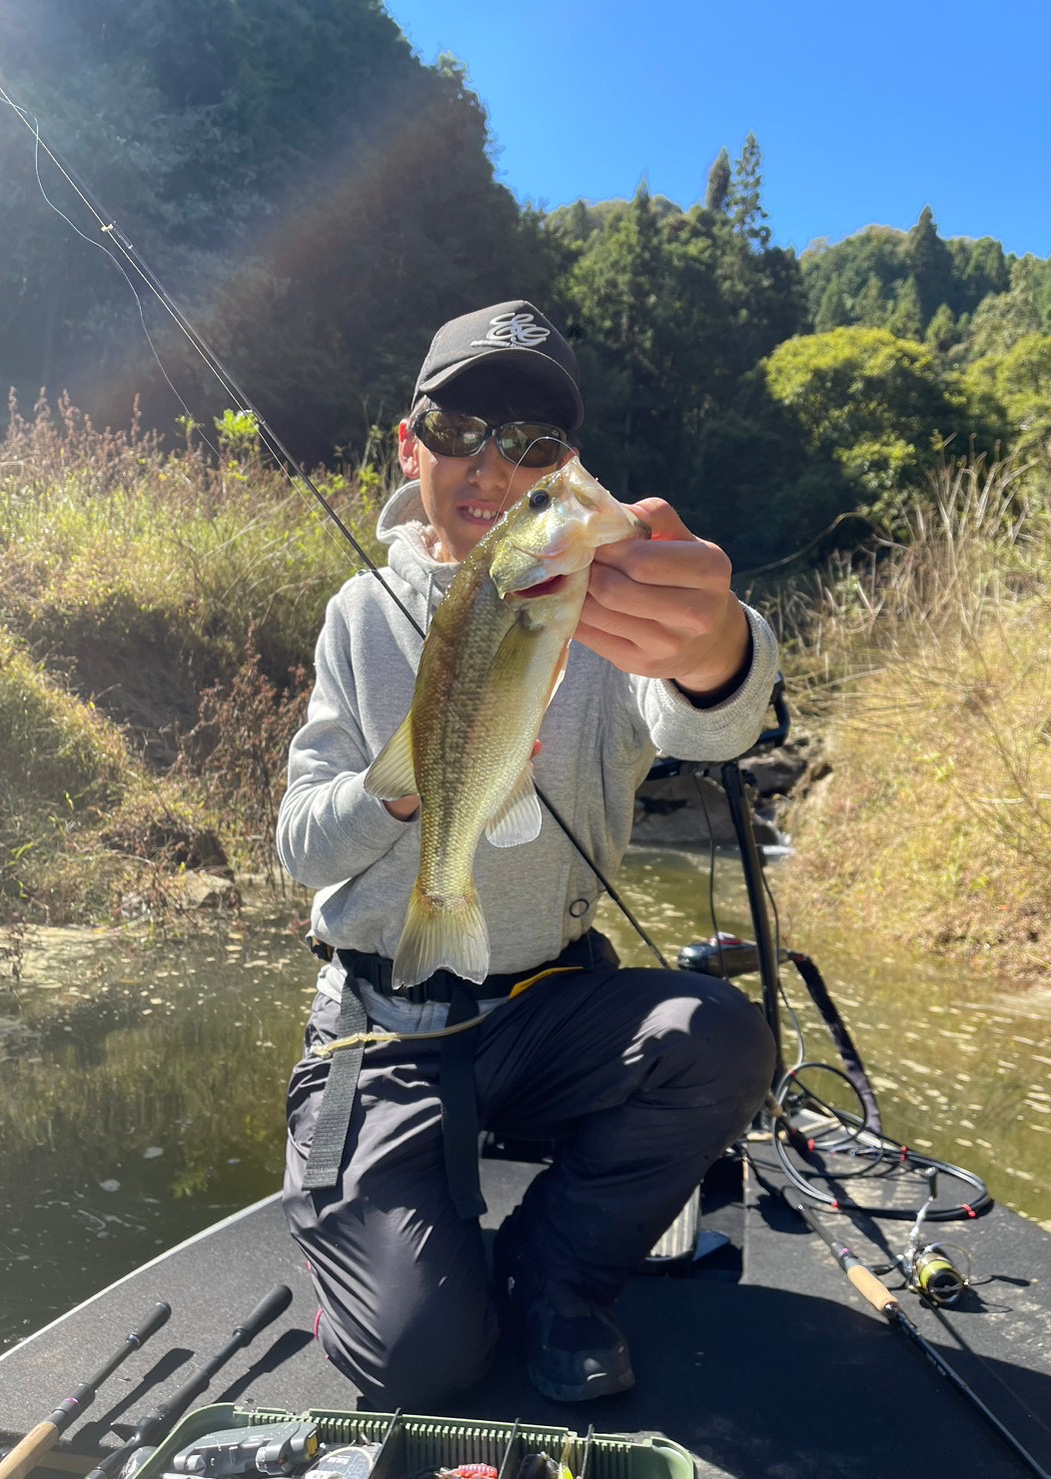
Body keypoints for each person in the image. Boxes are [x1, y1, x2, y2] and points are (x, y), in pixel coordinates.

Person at [278, 300, 778, 1410]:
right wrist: (399, 788)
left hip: (548, 1006)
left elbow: (713, 719)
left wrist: (717, 644)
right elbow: (296, 844)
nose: (493, 464)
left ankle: (555, 1277)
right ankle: (383, 1259)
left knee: (721, 1039)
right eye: (458, 427)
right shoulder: (357, 614)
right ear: (410, 448)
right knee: (423, 1363)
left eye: (535, 447)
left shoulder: (602, 604)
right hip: (380, 1026)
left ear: (571, 468)